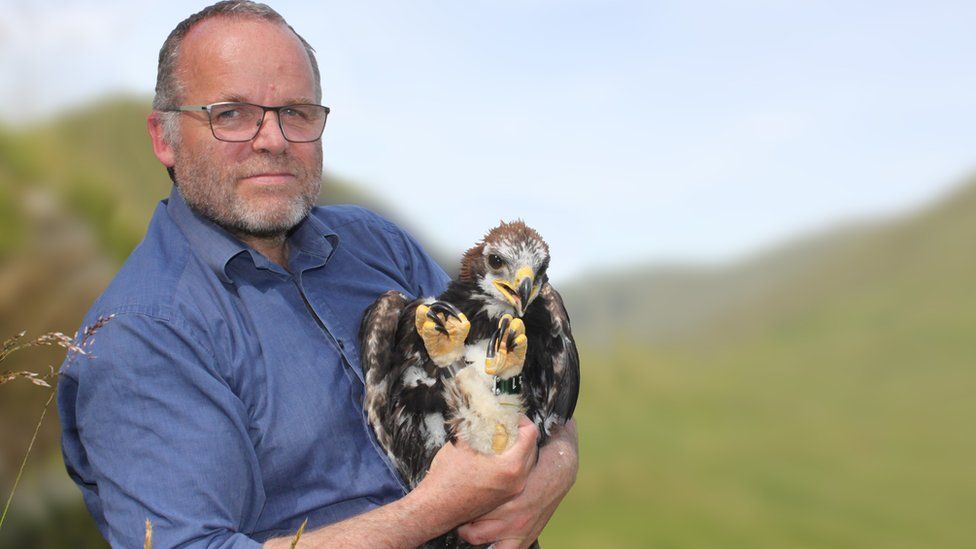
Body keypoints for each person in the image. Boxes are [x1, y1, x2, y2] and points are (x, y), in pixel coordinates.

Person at [56, 1, 578, 547]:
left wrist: (554, 470)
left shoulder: (377, 244)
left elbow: (532, 374)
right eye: (231, 113)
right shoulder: (143, 335)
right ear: (164, 138)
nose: (273, 139)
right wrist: (434, 510)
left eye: (296, 112)